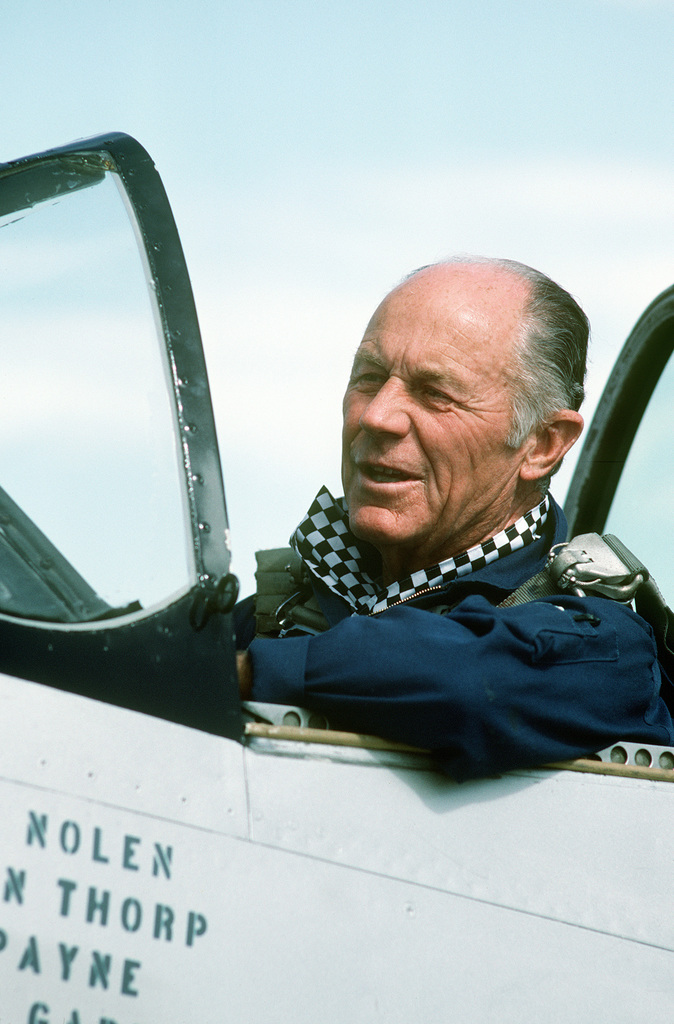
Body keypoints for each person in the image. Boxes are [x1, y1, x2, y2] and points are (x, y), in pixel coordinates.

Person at [234, 257, 674, 780]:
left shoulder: (601, 645)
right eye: (369, 378)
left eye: (435, 394)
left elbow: (473, 682)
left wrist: (251, 672)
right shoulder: (278, 606)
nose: (377, 416)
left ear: (542, 444)